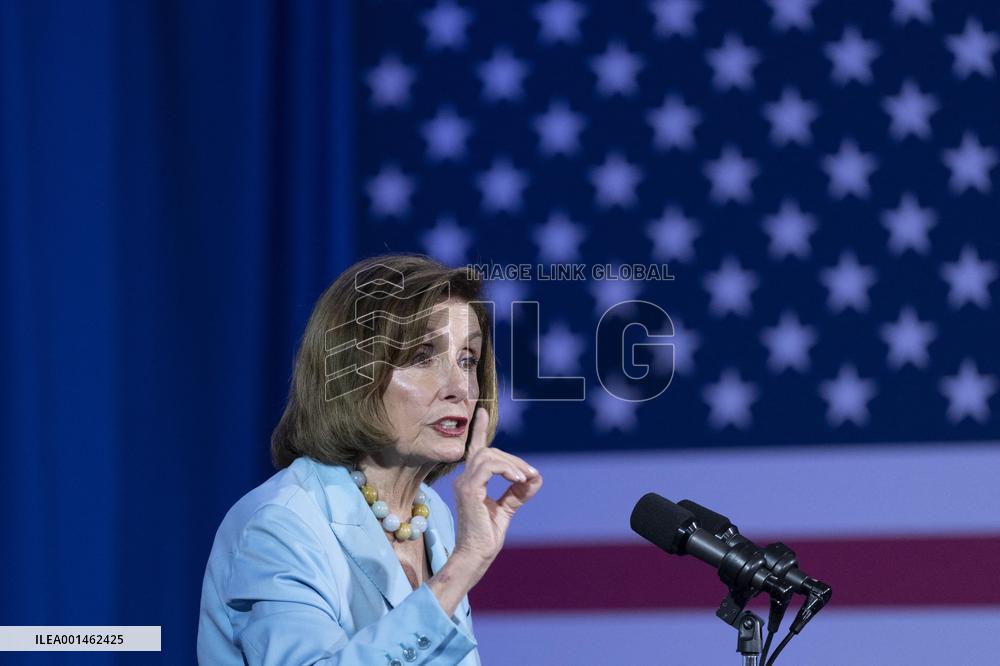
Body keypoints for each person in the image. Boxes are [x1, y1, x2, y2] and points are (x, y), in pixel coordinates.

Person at [197, 254, 542, 665]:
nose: (460, 387)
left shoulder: (431, 517)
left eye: (467, 359)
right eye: (421, 355)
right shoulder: (280, 524)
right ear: (352, 375)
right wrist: (462, 567)